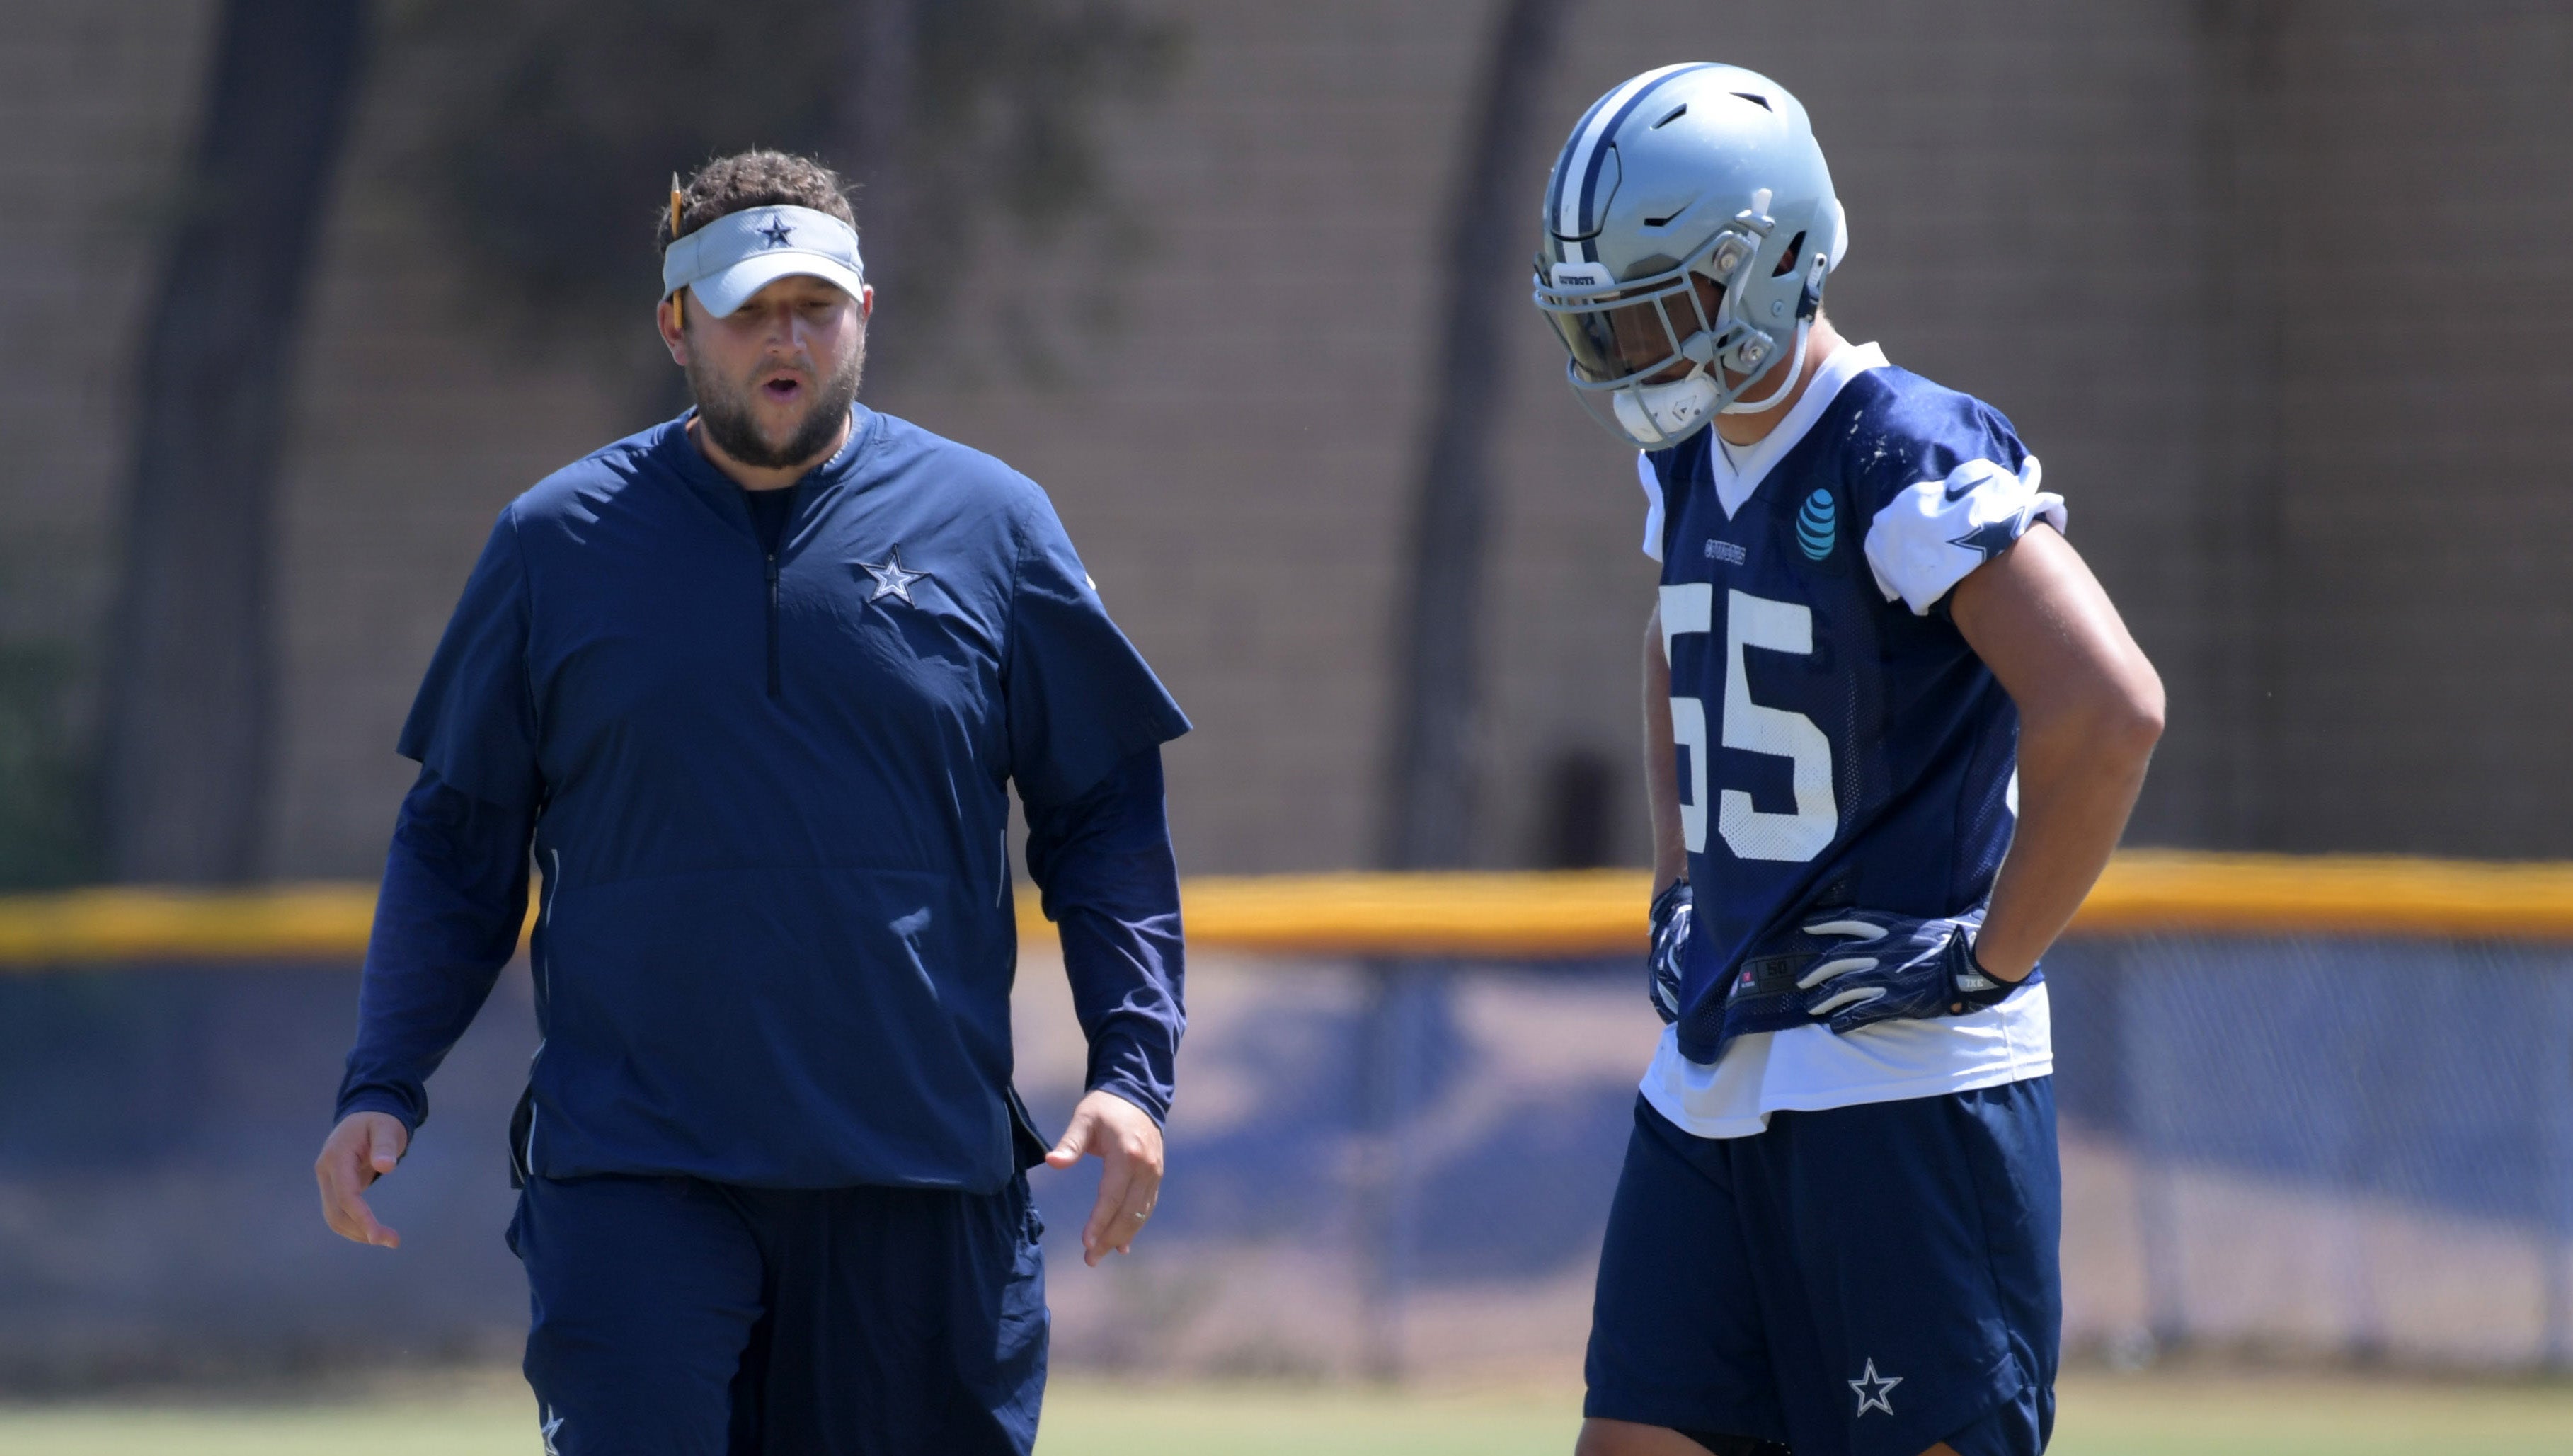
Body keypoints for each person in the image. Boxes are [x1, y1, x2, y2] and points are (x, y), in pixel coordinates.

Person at [311, 149, 1191, 1456]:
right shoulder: (555, 543)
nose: (787, 337)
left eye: (815, 306)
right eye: (746, 307)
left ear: (864, 313)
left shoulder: (993, 526)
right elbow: (458, 842)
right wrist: (385, 1075)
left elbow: (1104, 816)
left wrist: (1132, 1069)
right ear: (676, 323)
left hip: (918, 1173)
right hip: (635, 1166)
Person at [1532, 67, 2165, 1456]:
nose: (1627, 348)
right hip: (1714, 1061)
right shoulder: (1693, 456)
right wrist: (1676, 881)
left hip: (1903, 1083)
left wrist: (1990, 958)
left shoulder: (1899, 454)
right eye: (1603, 316)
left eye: (1655, 304)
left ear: (1770, 259)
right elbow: (1675, 643)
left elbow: (2110, 709)